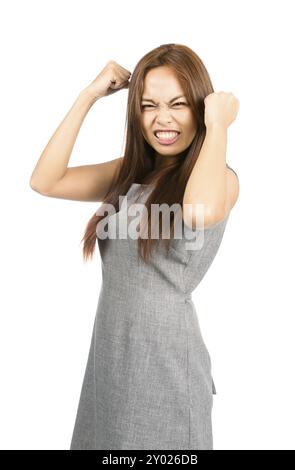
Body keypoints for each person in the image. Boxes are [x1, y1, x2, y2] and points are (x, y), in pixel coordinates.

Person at [29, 43, 240, 450]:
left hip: (165, 366)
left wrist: (219, 126)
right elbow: (45, 181)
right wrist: (89, 95)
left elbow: (198, 211)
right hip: (111, 362)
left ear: (201, 108)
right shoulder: (128, 175)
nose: (163, 119)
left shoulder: (218, 177)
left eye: (179, 104)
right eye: (149, 105)